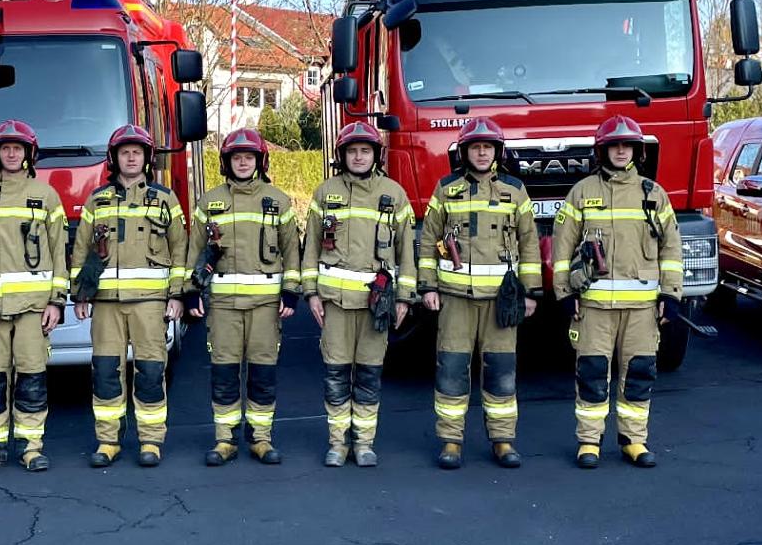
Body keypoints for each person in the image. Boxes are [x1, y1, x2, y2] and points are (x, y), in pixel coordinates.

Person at [551, 115, 682, 469]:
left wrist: (670, 295)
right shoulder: (581, 192)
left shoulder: (654, 195)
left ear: (636, 151)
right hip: (593, 307)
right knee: (592, 374)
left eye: (627, 145)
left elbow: (671, 250)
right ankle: (589, 442)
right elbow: (562, 250)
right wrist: (564, 294)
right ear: (602, 150)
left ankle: (634, 441)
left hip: (642, 310)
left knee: (639, 375)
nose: (621, 151)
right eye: (614, 145)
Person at [416, 117, 540, 469]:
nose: (482, 152)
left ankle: (502, 440)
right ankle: (451, 441)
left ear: (497, 151)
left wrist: (530, 292)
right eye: (475, 146)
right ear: (465, 151)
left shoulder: (515, 190)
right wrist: (428, 286)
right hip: (455, 298)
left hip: (502, 301)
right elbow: (429, 241)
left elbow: (529, 243)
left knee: (501, 373)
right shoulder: (446, 188)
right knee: (452, 372)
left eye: (488, 147)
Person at [0, 119, 69, 475]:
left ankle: (31, 448)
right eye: (6, 148)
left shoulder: (47, 196)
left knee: (32, 379)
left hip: (34, 310)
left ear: (29, 154)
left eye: (17, 148)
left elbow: (60, 251)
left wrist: (56, 301)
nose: (12, 153)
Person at [301, 121, 417, 468]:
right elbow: (310, 249)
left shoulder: (394, 194)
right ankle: (337, 444)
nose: (358, 156)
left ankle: (364, 443)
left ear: (376, 154)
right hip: (335, 303)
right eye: (352, 151)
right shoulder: (325, 193)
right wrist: (311, 294)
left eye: (365, 150)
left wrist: (404, 298)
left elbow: (407, 252)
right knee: (336, 375)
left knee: (368, 374)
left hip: (376, 306)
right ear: (342, 155)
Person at [71, 124, 187, 468]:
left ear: (147, 158)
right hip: (106, 304)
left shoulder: (165, 199)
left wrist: (178, 295)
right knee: (106, 373)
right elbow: (80, 252)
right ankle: (108, 441)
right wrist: (80, 295)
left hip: (150, 304)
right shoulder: (97, 201)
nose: (132, 157)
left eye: (137, 152)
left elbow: (180, 250)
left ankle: (151, 442)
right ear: (114, 158)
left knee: (151, 372)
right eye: (125, 152)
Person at [185, 128, 302, 467]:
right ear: (226, 162)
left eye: (248, 157)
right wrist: (192, 292)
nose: (242, 162)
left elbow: (292, 251)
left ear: (259, 161)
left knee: (263, 374)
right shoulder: (209, 203)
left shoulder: (278, 200)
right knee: (223, 373)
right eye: (236, 157)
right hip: (222, 307)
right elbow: (194, 252)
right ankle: (225, 440)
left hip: (266, 306)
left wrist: (291, 293)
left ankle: (261, 439)